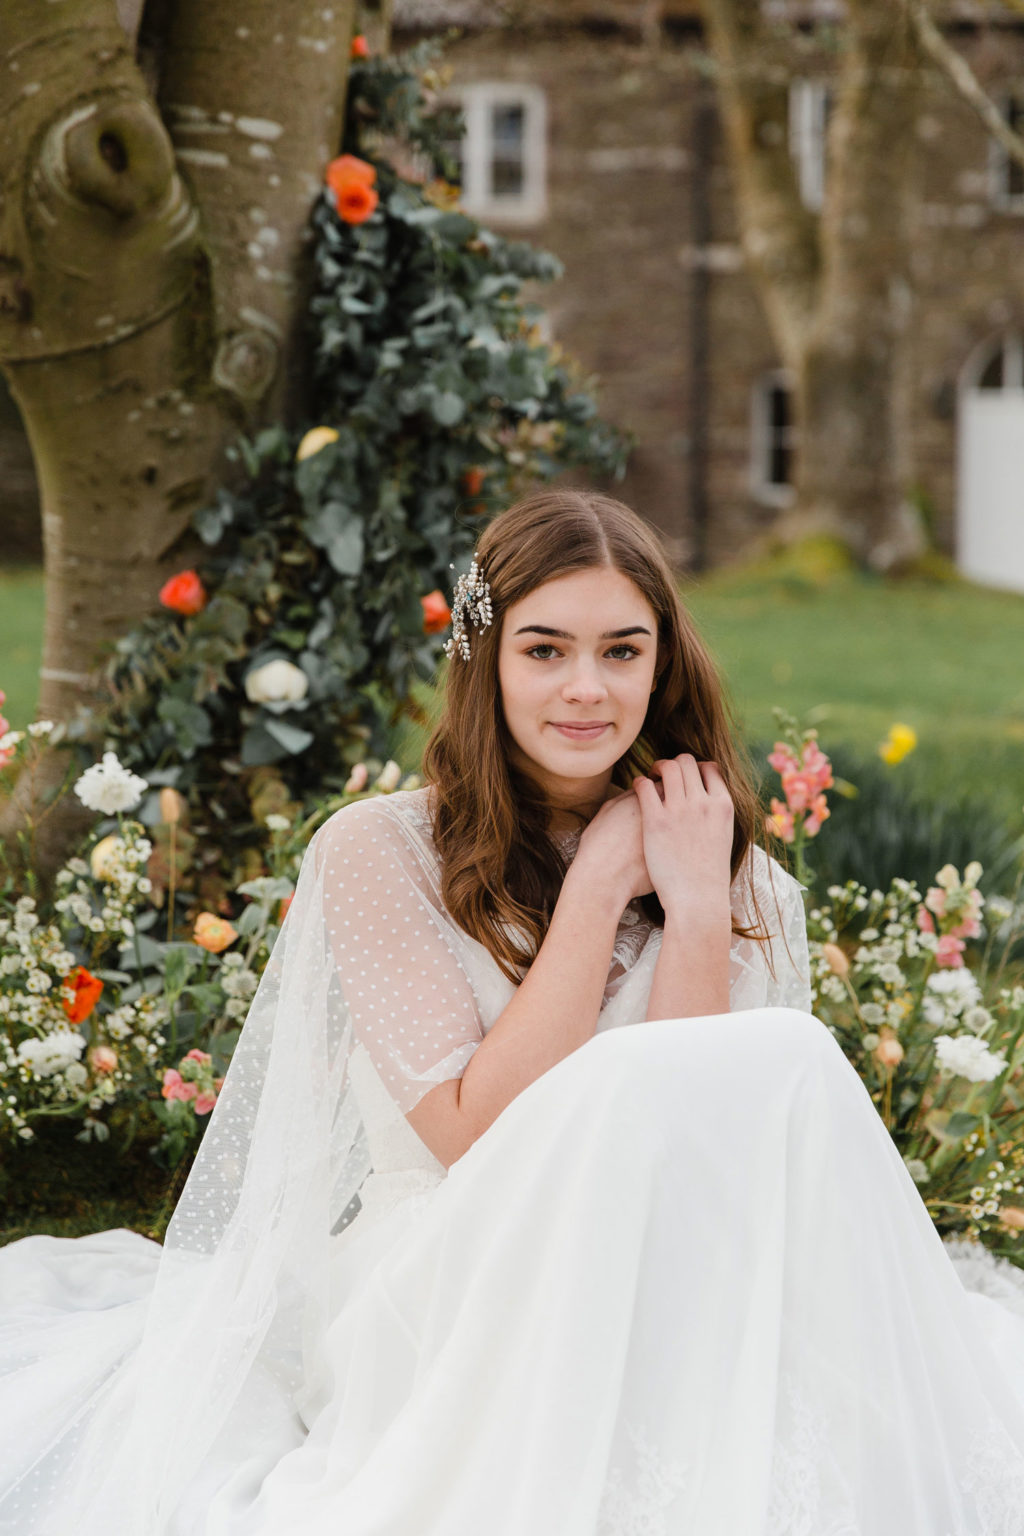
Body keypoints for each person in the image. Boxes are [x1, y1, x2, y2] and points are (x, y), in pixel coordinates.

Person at [2, 489, 1024, 1535]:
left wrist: (698, 908)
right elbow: (467, 1136)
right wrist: (595, 890)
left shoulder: (738, 879)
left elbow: (705, 1142)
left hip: (675, 1273)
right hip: (453, 1278)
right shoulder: (378, 852)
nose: (587, 689)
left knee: (784, 1063)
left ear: (661, 665)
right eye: (545, 650)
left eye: (622, 652)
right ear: (486, 662)